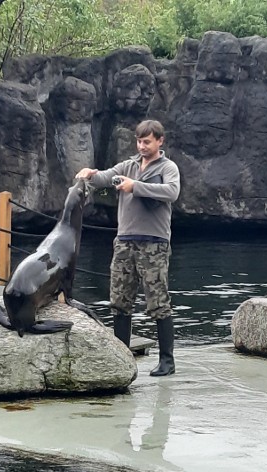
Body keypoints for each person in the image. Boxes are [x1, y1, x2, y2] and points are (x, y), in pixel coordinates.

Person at [75, 120, 180, 376]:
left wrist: (136, 187)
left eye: (147, 142)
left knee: (157, 301)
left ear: (160, 141)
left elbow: (172, 192)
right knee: (120, 301)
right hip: (124, 241)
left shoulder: (168, 167)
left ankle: (167, 360)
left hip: (154, 243)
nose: (142, 146)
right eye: (139, 141)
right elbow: (104, 177)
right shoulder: (128, 165)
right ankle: (122, 357)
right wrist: (90, 172)